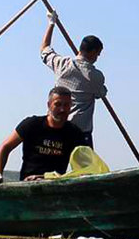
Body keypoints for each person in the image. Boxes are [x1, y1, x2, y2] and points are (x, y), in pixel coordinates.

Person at [0, 86, 87, 190]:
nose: (62, 109)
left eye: (66, 105)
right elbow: (5, 146)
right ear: (49, 105)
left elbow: (85, 167)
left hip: (56, 189)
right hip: (27, 188)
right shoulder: (32, 125)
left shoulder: (75, 133)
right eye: (57, 104)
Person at [39, 11, 106, 147]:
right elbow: (101, 93)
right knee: (86, 168)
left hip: (57, 128)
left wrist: (51, 23)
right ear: (93, 52)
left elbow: (44, 49)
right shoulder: (94, 76)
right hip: (80, 134)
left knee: (55, 166)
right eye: (97, 54)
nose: (97, 58)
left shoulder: (62, 64)